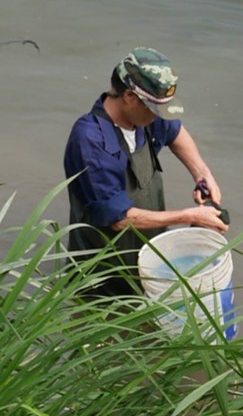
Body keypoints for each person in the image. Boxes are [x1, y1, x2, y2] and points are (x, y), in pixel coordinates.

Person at [63, 47, 228, 298]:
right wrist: (189, 216)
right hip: (103, 279)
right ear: (129, 96)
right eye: (154, 108)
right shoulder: (91, 141)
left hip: (148, 262)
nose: (159, 116)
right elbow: (119, 219)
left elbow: (175, 133)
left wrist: (202, 173)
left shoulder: (145, 117)